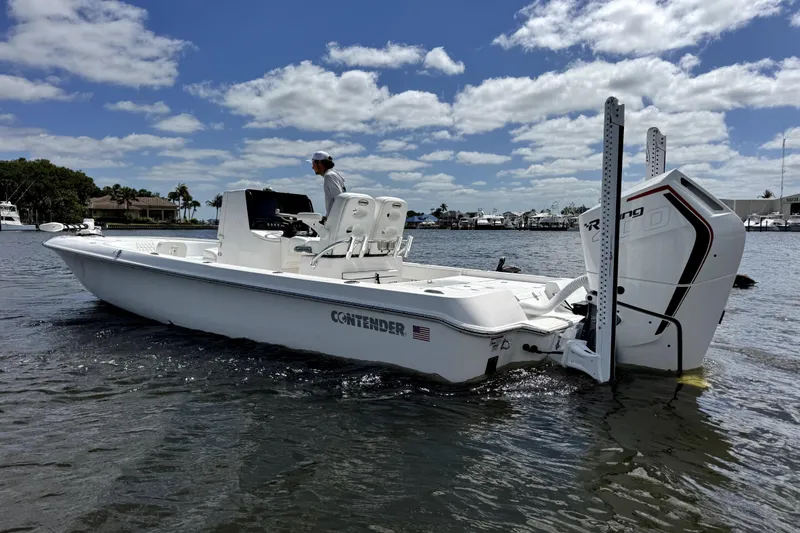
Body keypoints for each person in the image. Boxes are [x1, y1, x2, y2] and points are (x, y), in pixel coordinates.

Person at [308, 150, 346, 222]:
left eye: (313, 163)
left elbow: (340, 199)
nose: (312, 167)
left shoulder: (329, 176)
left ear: (319, 163)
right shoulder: (334, 174)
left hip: (335, 223)